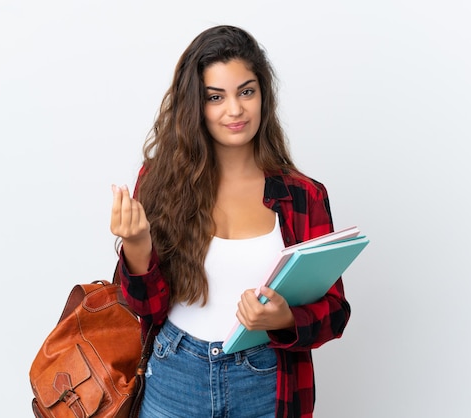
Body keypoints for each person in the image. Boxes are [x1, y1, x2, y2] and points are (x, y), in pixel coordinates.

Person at [110, 25, 350, 418]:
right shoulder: (159, 182)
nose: (235, 110)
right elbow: (146, 309)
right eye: (215, 97)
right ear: (195, 106)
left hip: (266, 381)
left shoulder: (303, 196)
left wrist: (285, 318)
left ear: (263, 96)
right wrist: (137, 245)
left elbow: (335, 312)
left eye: (246, 91)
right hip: (174, 376)